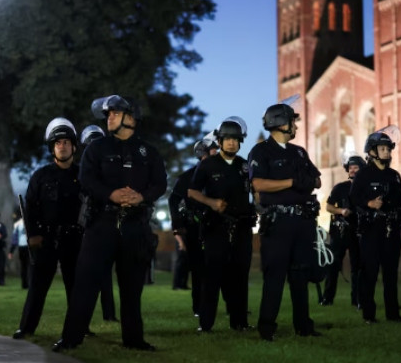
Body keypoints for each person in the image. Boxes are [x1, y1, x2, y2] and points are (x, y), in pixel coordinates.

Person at [54, 95, 167, 352]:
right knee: (85, 284)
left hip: (135, 225)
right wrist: (112, 194)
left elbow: (160, 183)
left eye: (115, 113)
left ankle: (134, 339)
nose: (109, 118)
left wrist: (141, 196)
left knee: (132, 286)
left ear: (131, 117)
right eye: (108, 114)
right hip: (101, 224)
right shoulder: (97, 148)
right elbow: (86, 179)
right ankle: (71, 338)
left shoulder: (148, 151)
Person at [248, 102, 322, 341]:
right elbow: (258, 184)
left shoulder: (299, 151)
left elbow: (317, 181)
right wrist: (292, 182)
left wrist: (307, 181)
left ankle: (304, 327)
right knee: (275, 276)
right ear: (281, 122)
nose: (295, 126)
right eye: (293, 121)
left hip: (302, 221)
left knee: (301, 276)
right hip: (278, 222)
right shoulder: (261, 151)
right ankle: (267, 328)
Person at [12, 118, 84, 340]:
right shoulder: (40, 176)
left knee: (76, 289)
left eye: (66, 142)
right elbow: (30, 208)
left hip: (75, 240)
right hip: (46, 240)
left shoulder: (83, 176)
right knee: (37, 288)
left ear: (73, 146)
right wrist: (33, 235)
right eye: (58, 143)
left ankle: (76, 331)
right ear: (52, 147)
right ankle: (26, 328)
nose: (62, 146)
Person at [188, 117, 255, 333]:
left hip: (243, 228)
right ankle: (205, 324)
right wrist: (211, 202)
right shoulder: (207, 165)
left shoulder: (245, 166)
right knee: (212, 277)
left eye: (236, 139)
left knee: (240, 277)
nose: (232, 143)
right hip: (216, 228)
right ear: (219, 141)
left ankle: (240, 323)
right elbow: (192, 192)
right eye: (227, 139)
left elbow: (255, 191)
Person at [350, 128, 401, 323]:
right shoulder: (363, 175)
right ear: (372, 152)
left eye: (388, 148)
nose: (387, 152)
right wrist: (369, 204)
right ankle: (369, 315)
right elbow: (353, 198)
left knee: (391, 273)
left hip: (392, 229)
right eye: (383, 148)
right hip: (371, 230)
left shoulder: (394, 176)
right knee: (369, 272)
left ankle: (393, 314)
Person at [168, 133, 218, 315]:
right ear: (202, 154)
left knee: (221, 268)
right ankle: (199, 308)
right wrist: (178, 226)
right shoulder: (187, 176)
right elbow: (173, 200)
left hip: (216, 226)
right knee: (198, 270)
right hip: (195, 228)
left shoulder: (220, 175)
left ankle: (232, 308)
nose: (216, 154)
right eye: (213, 151)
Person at [80, 124, 117, 322]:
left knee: (104, 275)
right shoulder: (81, 172)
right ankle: (81, 320)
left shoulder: (109, 172)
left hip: (104, 223)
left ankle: (109, 314)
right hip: (84, 225)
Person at [320, 154, 364, 307]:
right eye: (350, 168)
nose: (352, 170)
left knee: (357, 266)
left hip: (358, 231)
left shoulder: (366, 189)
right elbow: (328, 207)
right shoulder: (340, 188)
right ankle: (328, 298)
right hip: (340, 232)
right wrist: (341, 212)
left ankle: (357, 300)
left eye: (356, 167)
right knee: (332, 265)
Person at [8, 211, 30, 289]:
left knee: (25, 267)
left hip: (24, 247)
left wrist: (11, 251)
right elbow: (15, 239)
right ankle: (27, 284)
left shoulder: (18, 224)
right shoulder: (24, 223)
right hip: (26, 247)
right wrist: (11, 251)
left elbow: (14, 239)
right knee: (28, 266)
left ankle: (25, 284)